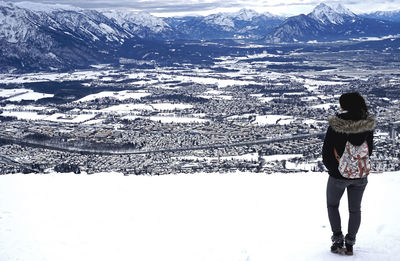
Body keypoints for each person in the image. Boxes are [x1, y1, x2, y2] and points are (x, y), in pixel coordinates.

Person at [322, 92, 376, 255]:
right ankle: (350, 244)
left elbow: (326, 152)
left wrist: (334, 169)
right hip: (360, 175)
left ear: (345, 106)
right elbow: (369, 150)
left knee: (333, 206)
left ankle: (338, 241)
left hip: (338, 175)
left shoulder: (336, 124)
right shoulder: (367, 125)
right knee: (355, 210)